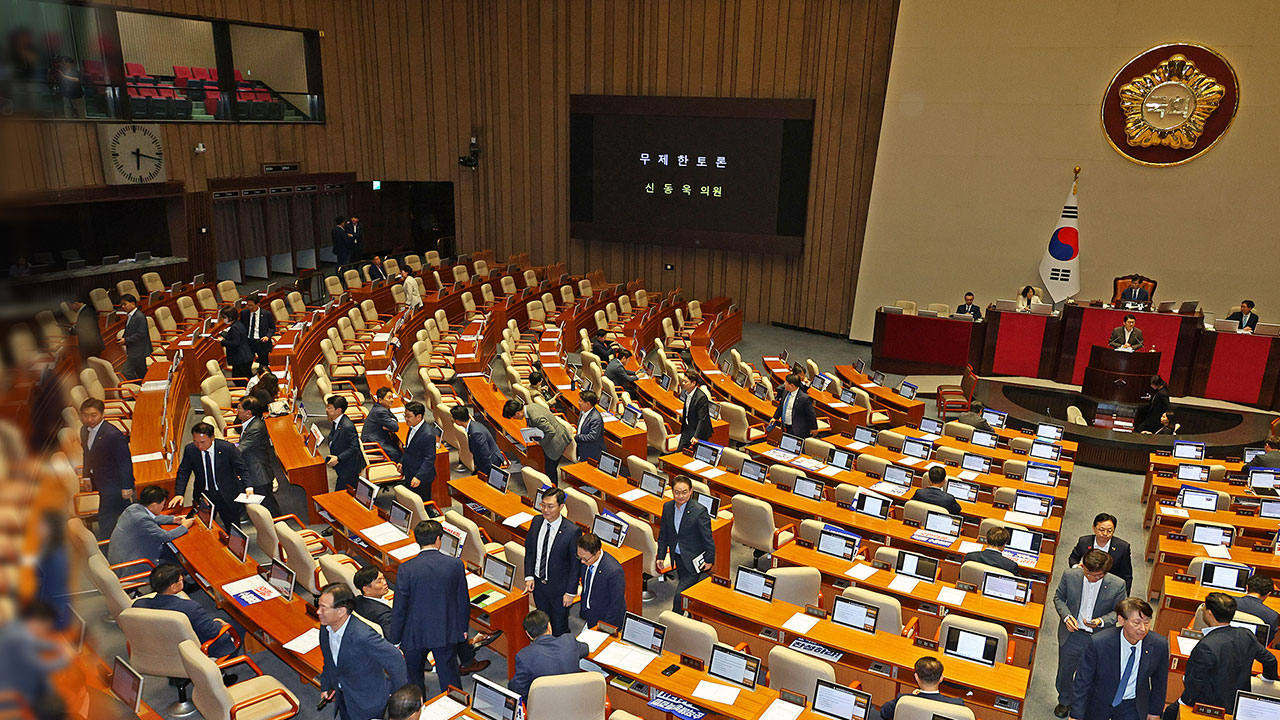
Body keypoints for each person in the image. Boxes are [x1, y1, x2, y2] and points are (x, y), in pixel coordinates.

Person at [391, 521, 472, 695]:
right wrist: (463, 628)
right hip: (445, 628)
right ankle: (454, 705)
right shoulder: (455, 565)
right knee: (449, 675)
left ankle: (417, 706)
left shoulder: (406, 569)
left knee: (414, 677)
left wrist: (395, 638)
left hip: (414, 632)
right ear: (438, 539)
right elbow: (462, 600)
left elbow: (399, 607)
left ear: (417, 540)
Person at [1174, 592, 1278, 715]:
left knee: (1170, 712)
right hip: (1239, 706)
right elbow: (1270, 660)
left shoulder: (1206, 646)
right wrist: (1266, 680)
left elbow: (1195, 684)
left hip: (1211, 707)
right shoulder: (1246, 634)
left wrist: (1182, 702)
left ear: (1209, 613)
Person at [1053, 550, 1128, 718]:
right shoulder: (1070, 575)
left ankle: (1084, 704)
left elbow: (1119, 612)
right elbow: (1059, 598)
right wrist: (1067, 617)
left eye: (1098, 576)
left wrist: (1101, 621)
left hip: (1099, 638)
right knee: (1065, 672)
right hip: (1072, 634)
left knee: (1092, 675)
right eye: (1088, 574)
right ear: (1083, 567)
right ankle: (1064, 700)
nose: (1092, 578)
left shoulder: (1118, 585)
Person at [1068, 598, 1168, 720]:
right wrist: (1076, 714)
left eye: (1147, 622)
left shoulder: (1159, 645)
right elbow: (1082, 681)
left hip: (1133, 704)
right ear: (1121, 620)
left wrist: (1154, 712)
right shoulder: (1099, 643)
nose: (1143, 628)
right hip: (1099, 701)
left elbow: (1160, 682)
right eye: (1136, 623)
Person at [319, 583, 407, 720]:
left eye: (324, 608)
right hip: (345, 695)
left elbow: (396, 659)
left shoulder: (363, 636)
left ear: (341, 611)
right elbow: (329, 659)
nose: (319, 612)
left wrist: (397, 697)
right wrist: (326, 685)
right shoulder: (326, 627)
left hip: (367, 703)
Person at [135, 564, 238, 658]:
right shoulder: (190, 608)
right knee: (238, 625)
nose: (183, 580)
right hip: (200, 649)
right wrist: (219, 623)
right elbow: (212, 632)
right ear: (173, 587)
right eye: (181, 580)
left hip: (162, 647)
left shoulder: (139, 605)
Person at [171, 422, 253, 528]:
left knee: (233, 527)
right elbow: (184, 471)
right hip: (204, 496)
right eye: (195, 442)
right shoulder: (191, 450)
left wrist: (248, 486)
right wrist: (179, 493)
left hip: (227, 495)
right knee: (204, 527)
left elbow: (242, 468)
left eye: (203, 442)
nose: (199, 446)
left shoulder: (227, 448)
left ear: (212, 437)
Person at [524, 488, 582, 636]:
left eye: (550, 506)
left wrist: (570, 592)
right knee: (543, 625)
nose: (545, 510)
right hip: (539, 585)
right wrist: (529, 576)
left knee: (559, 627)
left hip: (559, 590)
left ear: (561, 507)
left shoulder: (572, 531)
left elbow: (575, 565)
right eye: (543, 505)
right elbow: (530, 551)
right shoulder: (536, 522)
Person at [656, 475, 715, 612]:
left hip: (694, 559)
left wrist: (709, 560)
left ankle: (675, 618)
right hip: (677, 557)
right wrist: (661, 556)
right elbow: (664, 534)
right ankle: (690, 611)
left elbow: (707, 538)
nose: (680, 496)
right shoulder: (668, 507)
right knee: (685, 588)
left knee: (679, 595)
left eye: (684, 492)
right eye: (677, 492)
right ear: (672, 491)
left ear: (691, 492)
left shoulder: (699, 511)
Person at [79, 398, 134, 539]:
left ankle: (105, 544)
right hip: (99, 479)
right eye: (85, 415)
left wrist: (127, 486)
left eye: (93, 415)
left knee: (106, 517)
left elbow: (124, 461)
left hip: (113, 482)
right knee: (127, 511)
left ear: (102, 414)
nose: (89, 419)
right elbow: (87, 454)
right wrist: (86, 476)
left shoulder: (113, 434)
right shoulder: (84, 430)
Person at [509, 610, 589, 699]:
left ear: (528, 634)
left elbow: (519, 689)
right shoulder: (568, 641)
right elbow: (585, 649)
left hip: (545, 703)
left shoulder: (524, 656)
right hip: (575, 698)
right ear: (549, 626)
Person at [108, 486, 194, 568]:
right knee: (180, 564)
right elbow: (166, 536)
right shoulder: (142, 519)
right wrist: (184, 526)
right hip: (134, 564)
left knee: (172, 552)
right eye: (163, 504)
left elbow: (153, 518)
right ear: (154, 505)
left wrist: (174, 519)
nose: (163, 507)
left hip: (122, 555)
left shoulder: (133, 508)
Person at [503, 399, 570, 484]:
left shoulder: (535, 417)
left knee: (550, 470)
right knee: (547, 466)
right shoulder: (531, 406)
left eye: (513, 417)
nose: (514, 419)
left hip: (556, 442)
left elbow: (551, 431)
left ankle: (553, 489)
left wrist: (541, 443)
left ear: (518, 413)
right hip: (558, 433)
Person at [235, 396, 282, 516]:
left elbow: (240, 450)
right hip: (251, 465)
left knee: (269, 506)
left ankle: (278, 523)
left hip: (258, 473)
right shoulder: (249, 423)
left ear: (248, 412)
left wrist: (223, 452)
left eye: (239, 408)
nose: (236, 411)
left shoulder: (255, 428)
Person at [879, 657, 966, 719]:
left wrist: (912, 696)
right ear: (941, 678)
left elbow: (884, 712)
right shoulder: (957, 705)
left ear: (916, 677)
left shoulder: (903, 700)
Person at [1067, 514, 1134, 593]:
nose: (1105, 533)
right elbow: (1073, 558)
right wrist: (1077, 567)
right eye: (1101, 530)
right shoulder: (1084, 541)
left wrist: (1123, 596)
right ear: (1094, 528)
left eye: (1109, 531)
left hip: (1108, 588)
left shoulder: (1123, 547)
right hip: (1085, 581)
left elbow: (1126, 575)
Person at [576, 532, 626, 630]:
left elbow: (616, 603)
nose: (582, 561)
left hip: (605, 619)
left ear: (597, 552)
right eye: (579, 557)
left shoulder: (614, 571)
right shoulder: (586, 560)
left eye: (585, 559)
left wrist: (605, 627)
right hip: (590, 612)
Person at [451, 405, 505, 478]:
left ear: (457, 421)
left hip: (492, 461)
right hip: (482, 459)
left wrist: (486, 474)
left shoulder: (476, 433)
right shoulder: (472, 425)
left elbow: (485, 454)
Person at [326, 395, 366, 493]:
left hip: (349, 467)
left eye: (329, 408)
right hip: (342, 463)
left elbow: (354, 447)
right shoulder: (336, 421)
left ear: (338, 410)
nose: (326, 410)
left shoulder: (347, 426)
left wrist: (338, 458)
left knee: (341, 493)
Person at [398, 401, 438, 495]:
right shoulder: (413, 427)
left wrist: (419, 477)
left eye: (408, 417)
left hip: (420, 477)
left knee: (421, 501)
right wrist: (402, 462)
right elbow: (408, 448)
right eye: (405, 416)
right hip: (410, 471)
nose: (406, 419)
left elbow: (429, 459)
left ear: (419, 416)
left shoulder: (428, 434)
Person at [767, 373, 818, 438]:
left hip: (797, 429)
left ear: (792, 386)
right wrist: (775, 417)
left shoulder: (804, 398)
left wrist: (814, 428)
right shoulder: (785, 392)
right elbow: (781, 406)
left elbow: (811, 414)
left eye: (786, 382)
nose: (784, 384)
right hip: (785, 426)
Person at [1235, 575, 1280, 648]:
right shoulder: (1272, 615)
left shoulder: (1227, 602)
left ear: (1247, 588)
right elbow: (1267, 641)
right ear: (1268, 594)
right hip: (1251, 650)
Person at [362, 387, 403, 462]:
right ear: (380, 400)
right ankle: (391, 467)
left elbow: (394, 420)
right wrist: (391, 423)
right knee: (397, 454)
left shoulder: (381, 407)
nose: (392, 400)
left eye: (392, 397)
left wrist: (390, 422)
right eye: (389, 398)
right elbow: (395, 427)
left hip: (377, 437)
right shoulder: (380, 412)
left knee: (397, 448)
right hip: (372, 443)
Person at [352, 565, 394, 638]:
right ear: (366, 589)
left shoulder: (357, 600)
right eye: (379, 581)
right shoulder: (384, 614)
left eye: (383, 578)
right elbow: (393, 638)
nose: (385, 582)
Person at [119, 294, 152, 380]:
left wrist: (126, 340)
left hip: (138, 350)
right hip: (135, 349)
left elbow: (141, 333)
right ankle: (144, 384)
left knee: (125, 372)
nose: (123, 306)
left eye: (125, 304)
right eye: (122, 304)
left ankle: (138, 384)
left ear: (133, 303)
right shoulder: (131, 315)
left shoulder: (139, 316)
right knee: (141, 372)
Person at [677, 375, 714, 451]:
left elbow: (702, 419)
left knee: (697, 454)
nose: (683, 383)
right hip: (688, 428)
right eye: (683, 381)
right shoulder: (686, 392)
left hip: (699, 431)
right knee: (680, 451)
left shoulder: (701, 397)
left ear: (693, 383)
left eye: (685, 382)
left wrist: (696, 436)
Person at [239, 295, 275, 370]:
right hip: (249, 342)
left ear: (258, 304)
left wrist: (267, 336)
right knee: (247, 363)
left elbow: (272, 328)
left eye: (251, 305)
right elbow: (241, 326)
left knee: (264, 364)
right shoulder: (244, 313)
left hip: (262, 342)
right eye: (247, 305)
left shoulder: (266, 314)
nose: (248, 307)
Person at [218, 306, 253, 380]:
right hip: (246, 356)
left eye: (224, 317)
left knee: (239, 380)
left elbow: (235, 343)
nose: (224, 319)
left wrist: (222, 342)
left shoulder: (234, 328)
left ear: (230, 317)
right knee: (247, 377)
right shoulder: (239, 323)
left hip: (240, 358)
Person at [574, 390, 605, 463]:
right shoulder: (583, 411)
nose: (578, 402)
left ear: (588, 404)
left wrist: (577, 437)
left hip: (591, 451)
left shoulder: (596, 418)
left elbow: (592, 436)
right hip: (582, 447)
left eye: (580, 401)